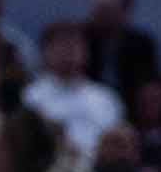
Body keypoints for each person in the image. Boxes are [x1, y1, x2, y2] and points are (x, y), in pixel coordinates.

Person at [20, 22, 124, 160]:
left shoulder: (105, 98)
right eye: (61, 45)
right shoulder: (31, 96)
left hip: (97, 166)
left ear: (86, 52)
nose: (68, 51)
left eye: (74, 45)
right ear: (45, 52)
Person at [84, 0, 160, 102]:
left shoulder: (142, 43)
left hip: (129, 102)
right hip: (88, 102)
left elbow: (148, 82)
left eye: (106, 10)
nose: (99, 16)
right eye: (97, 9)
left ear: (124, 11)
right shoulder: (83, 39)